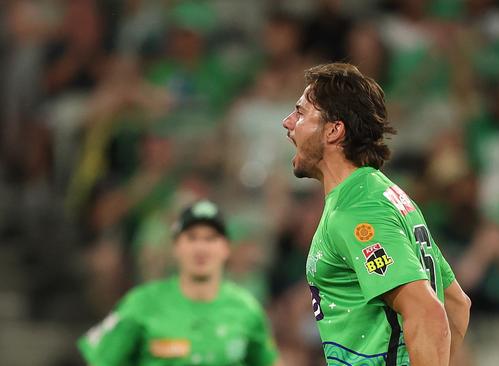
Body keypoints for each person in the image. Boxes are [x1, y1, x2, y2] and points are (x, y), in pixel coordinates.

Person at [282, 63, 471, 366]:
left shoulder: (359, 210)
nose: (288, 122)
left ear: (334, 130)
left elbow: (429, 312)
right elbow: (456, 303)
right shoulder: (386, 195)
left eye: (301, 113)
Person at [77, 200, 280, 366]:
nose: (201, 248)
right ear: (176, 247)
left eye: (210, 239)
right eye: (192, 238)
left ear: (226, 248)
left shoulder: (246, 309)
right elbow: (97, 359)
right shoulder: (141, 303)